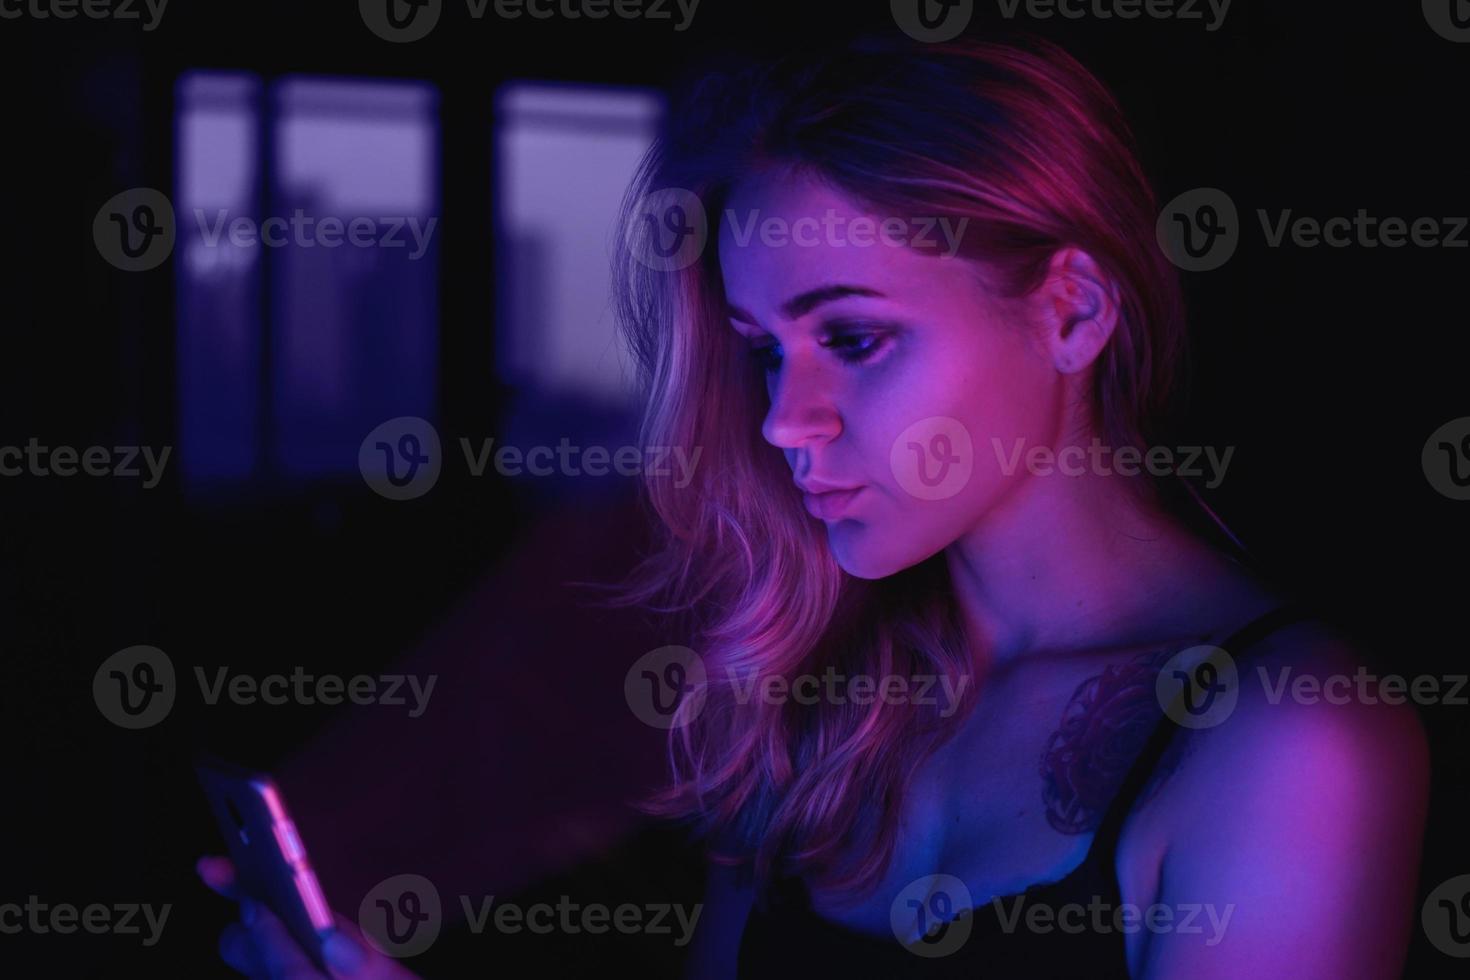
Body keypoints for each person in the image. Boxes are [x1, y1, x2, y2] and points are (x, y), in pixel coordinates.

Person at [198, 33, 1429, 979]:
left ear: (1071, 310)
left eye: (852, 334)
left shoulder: (1290, 744)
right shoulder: (818, 693)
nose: (788, 417)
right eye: (765, 349)